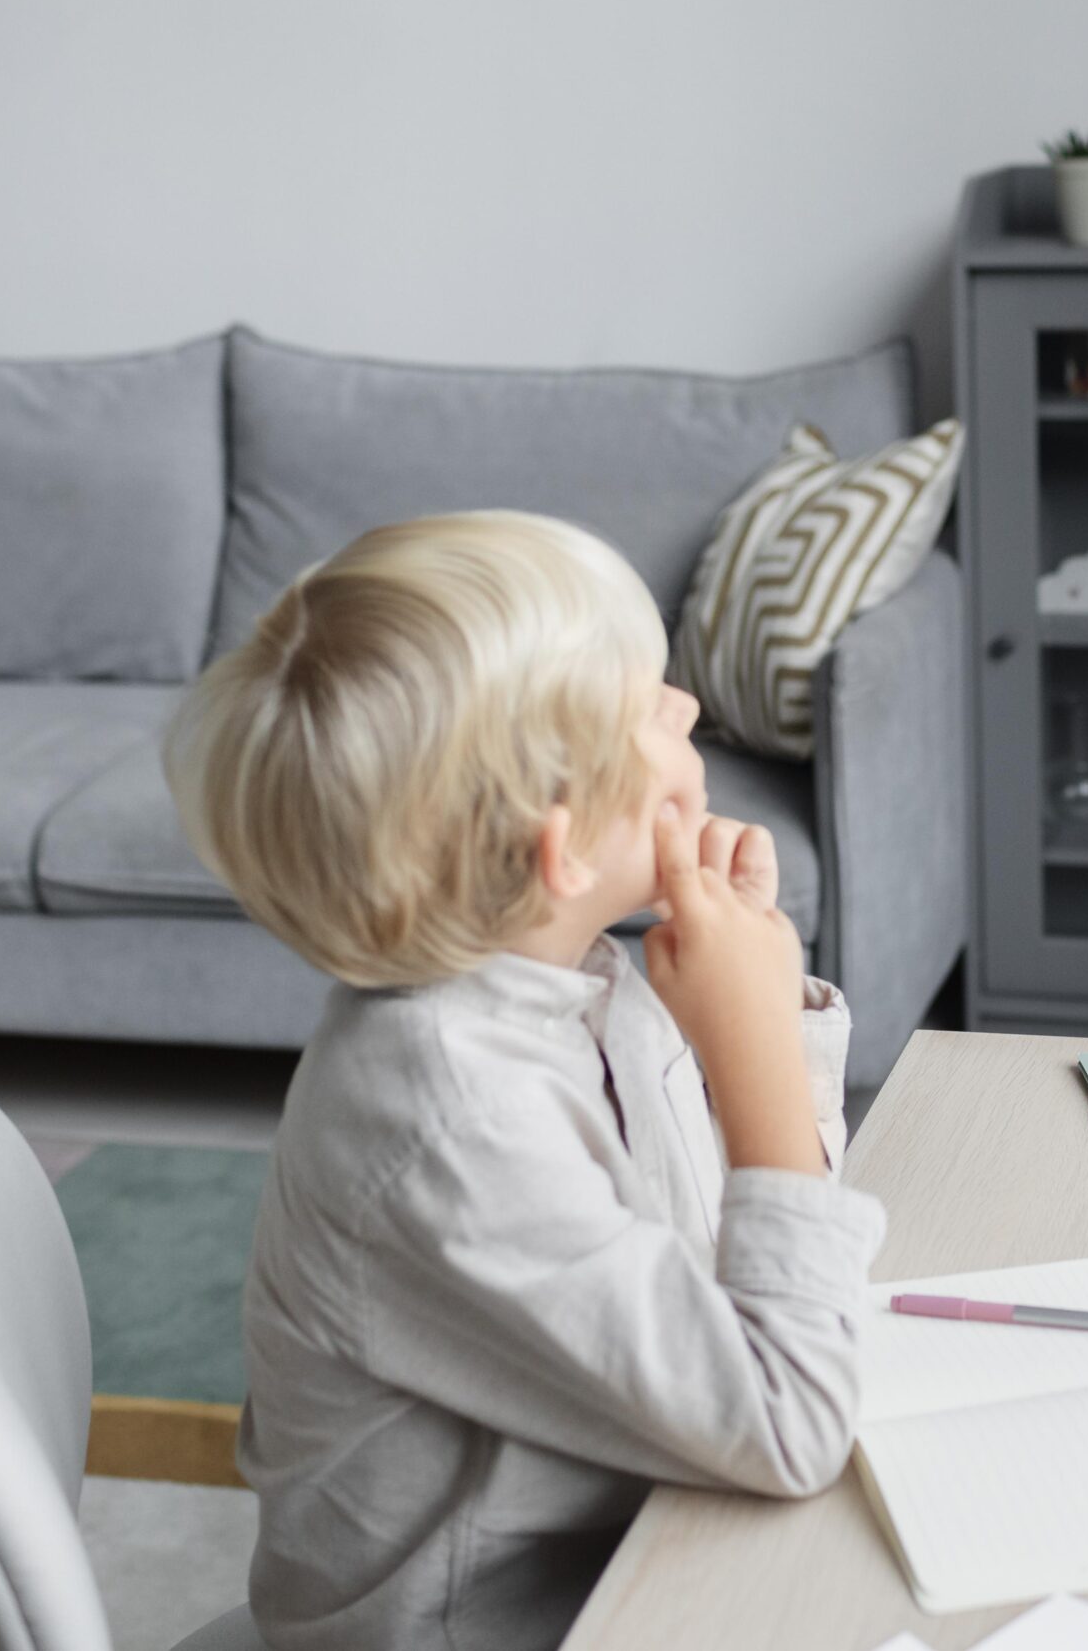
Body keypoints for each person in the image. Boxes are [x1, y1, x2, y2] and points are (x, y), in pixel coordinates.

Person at [162, 510, 884, 1650]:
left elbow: (755, 1274)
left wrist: (761, 1010)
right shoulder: (451, 1112)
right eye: (649, 702)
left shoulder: (582, 979)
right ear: (564, 849)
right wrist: (747, 1052)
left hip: (631, 1548)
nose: (687, 706)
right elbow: (794, 1417)